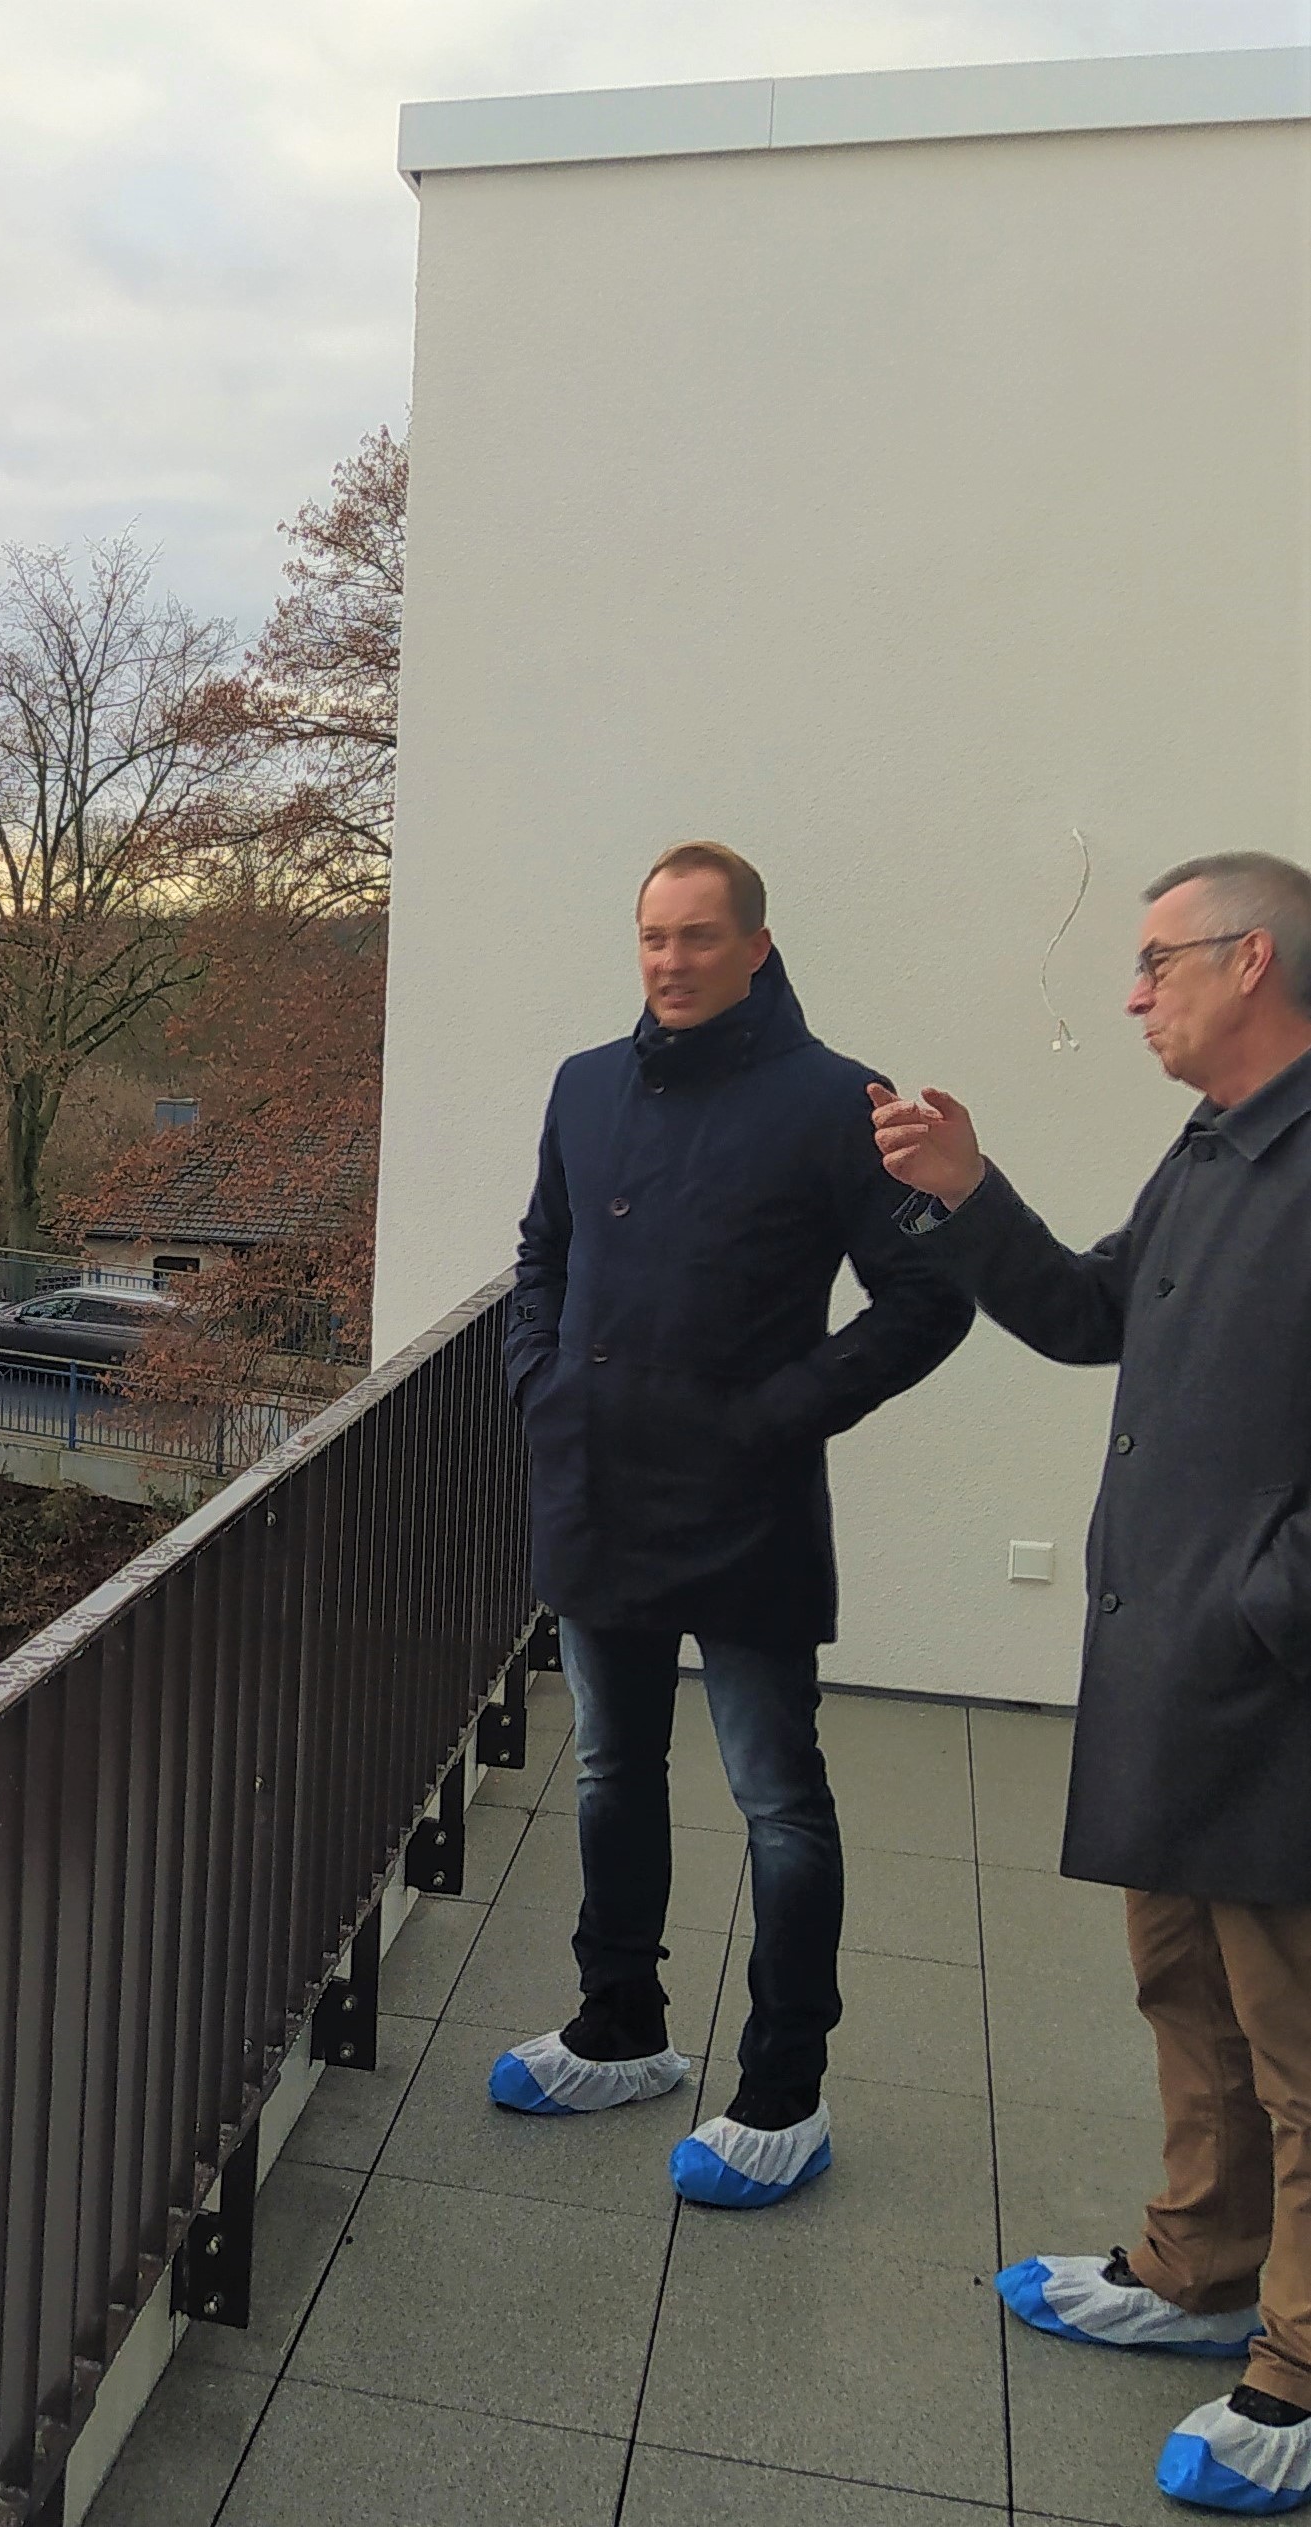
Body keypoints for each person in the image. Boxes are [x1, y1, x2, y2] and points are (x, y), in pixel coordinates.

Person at [871, 850, 1311, 2516]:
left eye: (1153, 962)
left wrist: (1263, 1614)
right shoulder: (1215, 1148)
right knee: (1184, 1996)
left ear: (1248, 960)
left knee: (1297, 2041)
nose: (1129, 994)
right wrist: (969, 1191)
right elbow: (1083, 1316)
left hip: (1269, 1683)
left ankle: (1298, 2363)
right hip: (1175, 1670)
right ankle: (1198, 2270)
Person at [493, 841, 972, 2210]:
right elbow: (541, 1254)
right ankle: (617, 2029)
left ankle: (781, 2095)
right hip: (593, 1485)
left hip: (744, 1503)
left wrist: (777, 1414)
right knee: (607, 1773)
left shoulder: (836, 1102)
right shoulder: (584, 1085)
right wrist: (536, 1379)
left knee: (776, 1802)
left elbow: (924, 1300)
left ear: (755, 946)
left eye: (698, 938)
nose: (670, 961)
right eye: (651, 937)